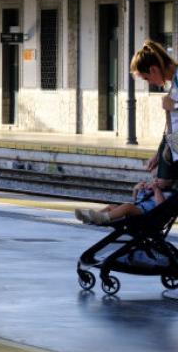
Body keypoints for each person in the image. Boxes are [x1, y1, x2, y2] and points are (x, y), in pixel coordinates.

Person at [76, 40, 178, 225]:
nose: (150, 83)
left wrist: (175, 106)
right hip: (173, 147)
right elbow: (173, 125)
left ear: (154, 70)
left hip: (175, 150)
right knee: (162, 186)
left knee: (163, 187)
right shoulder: (174, 83)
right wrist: (159, 151)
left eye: (146, 78)